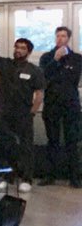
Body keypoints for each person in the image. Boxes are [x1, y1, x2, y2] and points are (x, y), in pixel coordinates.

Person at [0, 37, 46, 188]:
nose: (18, 50)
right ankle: (7, 177)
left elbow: (39, 94)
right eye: (16, 47)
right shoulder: (5, 64)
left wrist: (32, 112)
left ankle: (26, 179)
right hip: (4, 114)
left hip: (24, 115)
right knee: (5, 145)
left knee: (25, 147)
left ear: (29, 51)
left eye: (22, 48)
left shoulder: (34, 70)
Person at [43, 26, 82, 187]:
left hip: (70, 105)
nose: (60, 38)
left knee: (71, 141)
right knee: (52, 141)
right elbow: (43, 77)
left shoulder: (77, 58)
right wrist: (55, 60)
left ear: (68, 38)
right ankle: (50, 176)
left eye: (63, 36)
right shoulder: (47, 57)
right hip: (52, 104)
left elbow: (74, 78)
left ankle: (74, 178)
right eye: (58, 36)